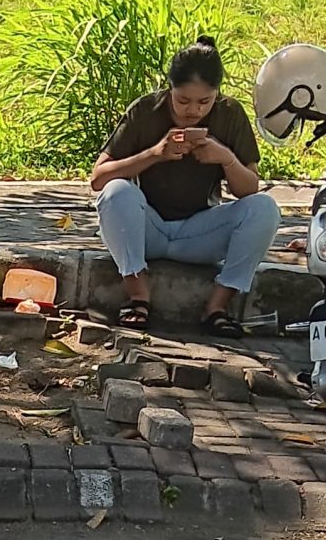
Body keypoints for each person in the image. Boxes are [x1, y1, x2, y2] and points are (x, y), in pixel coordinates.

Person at [89, 38, 281, 336]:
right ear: (169, 89)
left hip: (198, 233)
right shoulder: (145, 110)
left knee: (264, 209)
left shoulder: (230, 114)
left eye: (204, 102)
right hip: (146, 229)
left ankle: (217, 308)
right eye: (183, 101)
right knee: (116, 192)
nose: (193, 111)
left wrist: (226, 159)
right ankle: (138, 297)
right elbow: (98, 178)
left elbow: (249, 189)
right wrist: (154, 154)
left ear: (217, 94)